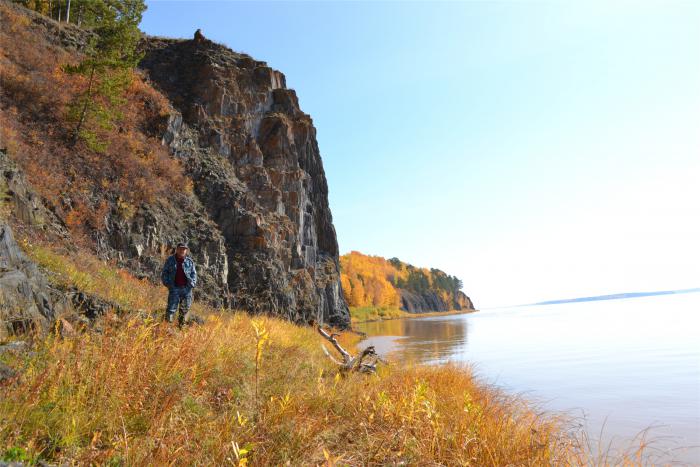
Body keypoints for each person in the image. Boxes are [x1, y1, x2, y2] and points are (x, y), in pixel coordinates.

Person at [160, 242, 197, 326]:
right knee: (171, 309)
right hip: (174, 288)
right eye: (180, 248)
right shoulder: (170, 260)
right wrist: (168, 284)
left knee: (185, 309)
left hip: (186, 289)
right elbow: (164, 273)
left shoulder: (189, 262)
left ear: (186, 251)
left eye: (184, 249)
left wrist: (192, 284)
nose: (182, 250)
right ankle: (167, 327)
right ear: (177, 249)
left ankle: (182, 327)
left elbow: (194, 274)